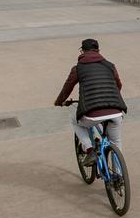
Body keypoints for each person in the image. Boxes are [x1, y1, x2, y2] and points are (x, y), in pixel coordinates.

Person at [54, 38, 128, 166]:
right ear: (98, 50)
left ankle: (90, 150)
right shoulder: (110, 65)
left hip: (92, 114)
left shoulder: (78, 68)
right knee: (116, 141)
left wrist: (59, 101)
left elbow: (67, 88)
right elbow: (118, 85)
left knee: (75, 121)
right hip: (116, 111)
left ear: (82, 51)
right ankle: (118, 177)